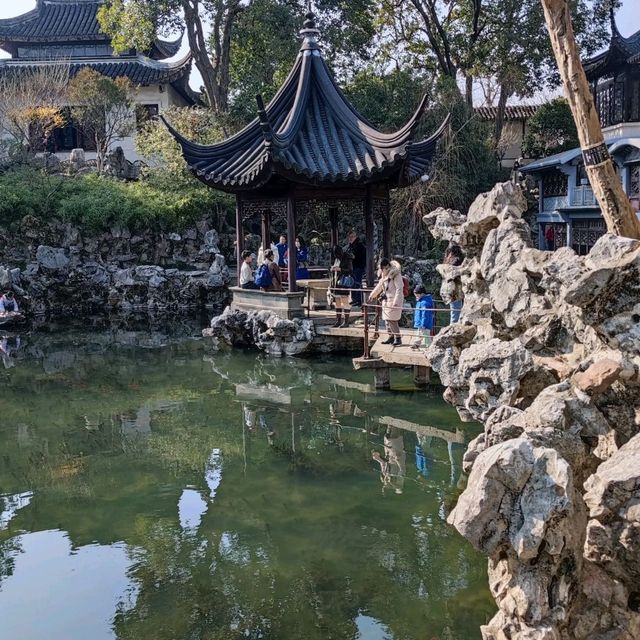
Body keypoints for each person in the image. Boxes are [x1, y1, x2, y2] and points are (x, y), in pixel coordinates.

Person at [369, 258, 404, 345]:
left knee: (392, 320)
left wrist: (396, 301)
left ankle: (398, 337)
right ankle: (391, 336)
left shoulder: (395, 274)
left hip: (393, 300)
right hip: (386, 300)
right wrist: (372, 295)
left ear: (386, 266)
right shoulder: (384, 275)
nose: (381, 270)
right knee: (387, 320)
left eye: (382, 268)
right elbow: (380, 285)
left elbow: (399, 289)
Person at [329, 245, 354, 328]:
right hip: (335, 282)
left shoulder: (347, 258)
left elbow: (350, 270)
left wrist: (340, 269)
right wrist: (332, 269)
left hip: (343, 282)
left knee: (345, 301)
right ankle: (338, 320)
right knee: (337, 302)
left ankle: (346, 321)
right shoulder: (335, 259)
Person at [444, 244, 465, 324]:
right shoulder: (458, 260)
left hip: (450, 289)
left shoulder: (449, 261)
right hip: (456, 289)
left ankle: (453, 326)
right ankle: (454, 326)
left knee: (454, 311)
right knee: (456, 312)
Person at [347, 230, 366, 306]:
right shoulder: (350, 246)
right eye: (349, 237)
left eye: (352, 237)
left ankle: (358, 300)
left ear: (355, 237)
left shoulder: (359, 246)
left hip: (358, 267)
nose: (350, 238)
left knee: (357, 283)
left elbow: (358, 257)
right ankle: (354, 299)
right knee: (352, 283)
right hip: (352, 267)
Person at [412, 285, 434, 349]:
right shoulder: (421, 300)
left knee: (426, 335)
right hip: (420, 322)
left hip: (424, 323)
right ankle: (417, 343)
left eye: (417, 294)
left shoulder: (424, 303)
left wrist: (423, 324)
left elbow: (425, 315)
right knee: (419, 333)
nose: (416, 296)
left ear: (422, 294)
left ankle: (430, 347)